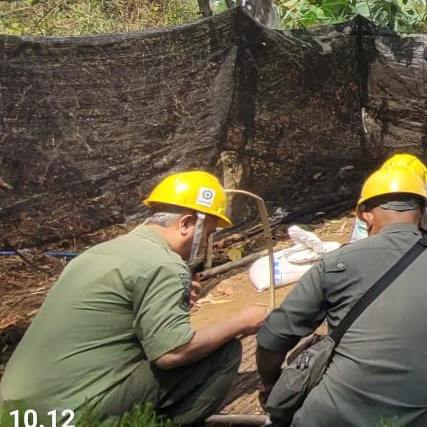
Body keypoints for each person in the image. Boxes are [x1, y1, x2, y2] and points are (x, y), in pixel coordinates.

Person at [0, 172, 266, 423]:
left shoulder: (99, 252)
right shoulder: (164, 264)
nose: (206, 241)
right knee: (224, 352)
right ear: (186, 224)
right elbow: (172, 353)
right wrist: (240, 323)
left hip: (15, 408)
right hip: (70, 414)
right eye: (207, 233)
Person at [256, 167, 427, 427]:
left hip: (330, 418)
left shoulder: (335, 263)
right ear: (421, 215)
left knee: (311, 352)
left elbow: (272, 338)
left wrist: (270, 385)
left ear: (366, 216)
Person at [352, 153, 427, 248]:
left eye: (409, 199)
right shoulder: (370, 201)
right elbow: (359, 246)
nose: (400, 204)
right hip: (393, 246)